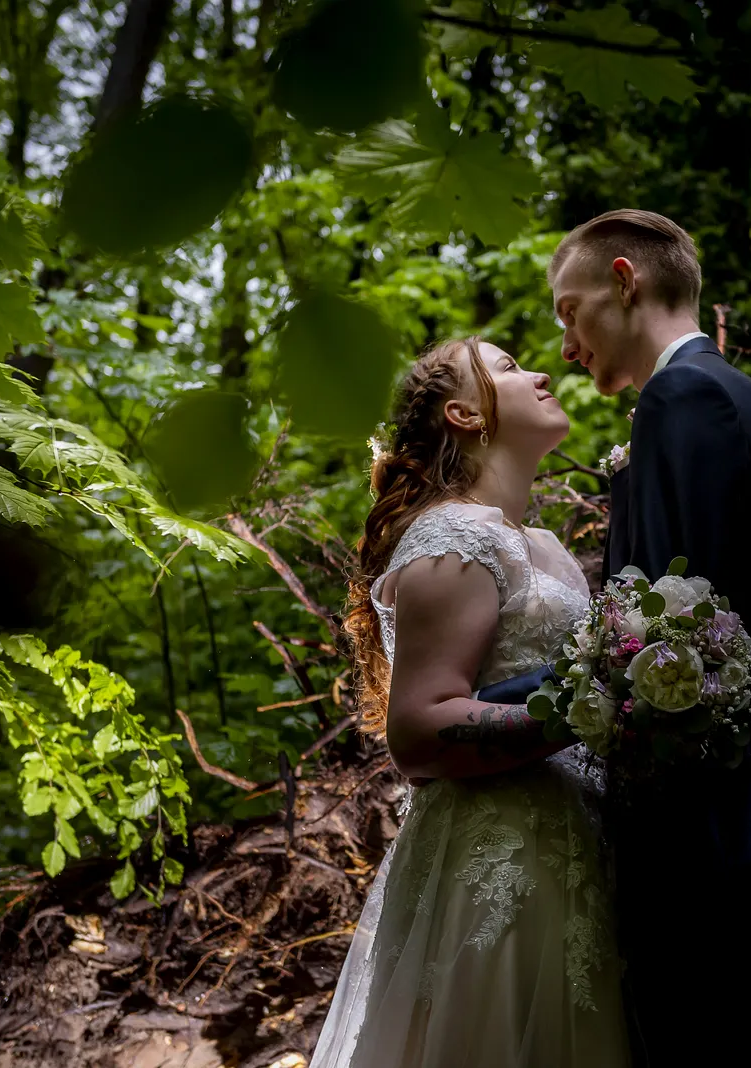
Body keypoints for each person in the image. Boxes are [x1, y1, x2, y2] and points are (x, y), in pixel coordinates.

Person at [482, 209, 751, 1068]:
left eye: (570, 311)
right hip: (734, 797)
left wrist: (480, 708)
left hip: (699, 810)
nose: (566, 346)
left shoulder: (682, 397)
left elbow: (657, 637)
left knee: (692, 1034)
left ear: (624, 282)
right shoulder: (729, 394)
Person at [310, 338, 630, 1068]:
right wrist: (591, 711)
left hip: (579, 853)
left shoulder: (543, 544)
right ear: (464, 414)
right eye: (509, 367)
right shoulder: (450, 538)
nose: (541, 372)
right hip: (497, 864)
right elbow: (418, 730)